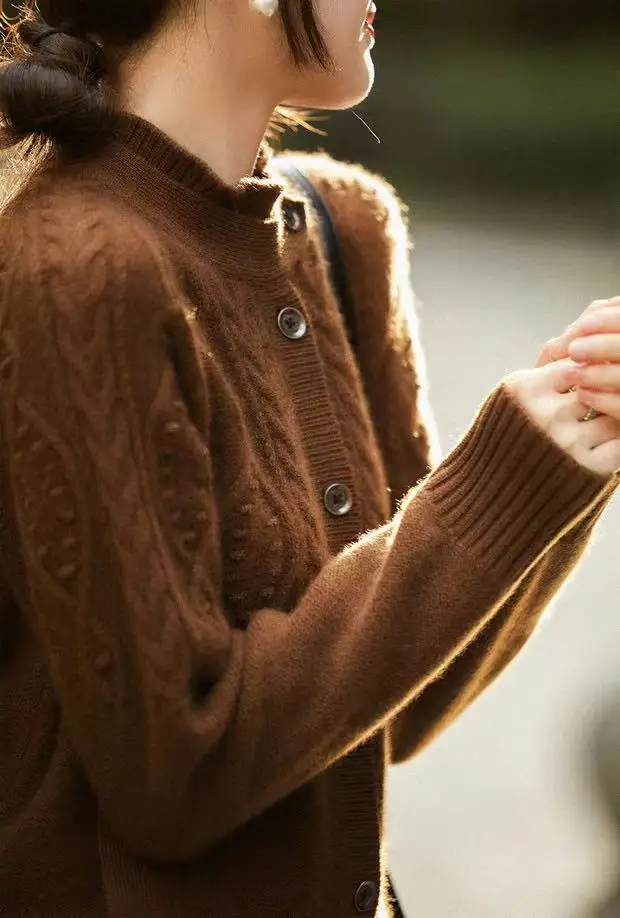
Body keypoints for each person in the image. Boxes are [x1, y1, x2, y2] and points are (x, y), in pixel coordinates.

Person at [0, 1, 619, 915]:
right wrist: (490, 482)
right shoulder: (75, 274)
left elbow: (395, 708)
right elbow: (173, 778)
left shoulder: (341, 230)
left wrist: (564, 453)